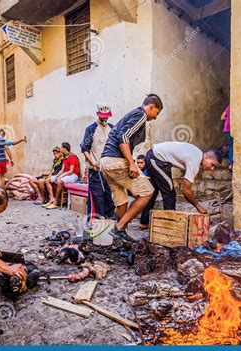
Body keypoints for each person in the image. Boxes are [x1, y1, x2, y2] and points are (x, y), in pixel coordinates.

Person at [100, 94, 163, 243]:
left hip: (105, 162)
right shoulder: (141, 114)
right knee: (148, 192)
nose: (156, 117)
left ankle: (121, 239)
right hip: (116, 162)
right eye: (157, 113)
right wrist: (131, 163)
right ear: (151, 107)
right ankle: (119, 228)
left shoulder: (131, 115)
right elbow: (124, 137)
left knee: (121, 202)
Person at [139, 142, 221, 229]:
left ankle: (144, 223)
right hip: (157, 158)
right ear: (206, 157)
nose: (212, 168)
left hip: (153, 155)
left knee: (153, 191)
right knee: (169, 193)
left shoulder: (197, 153)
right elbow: (186, 191)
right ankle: (169, 228)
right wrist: (198, 206)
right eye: (212, 164)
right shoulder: (195, 161)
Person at [80, 102, 114, 220]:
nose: (104, 118)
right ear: (97, 114)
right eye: (102, 116)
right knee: (97, 197)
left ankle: (109, 220)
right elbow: (84, 149)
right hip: (95, 170)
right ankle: (96, 222)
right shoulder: (91, 129)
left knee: (109, 195)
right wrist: (93, 163)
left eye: (106, 116)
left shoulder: (112, 128)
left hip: (108, 169)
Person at [44, 142, 80, 209]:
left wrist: (61, 177)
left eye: (61, 147)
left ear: (64, 148)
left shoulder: (72, 157)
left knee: (59, 181)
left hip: (73, 175)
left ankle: (56, 202)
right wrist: (57, 176)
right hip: (66, 174)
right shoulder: (65, 158)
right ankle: (52, 198)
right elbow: (62, 170)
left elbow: (71, 171)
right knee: (47, 180)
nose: (60, 149)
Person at [221, 105, 232, 170]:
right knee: (233, 145)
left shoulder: (228, 107)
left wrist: (227, 118)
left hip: (227, 128)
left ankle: (230, 163)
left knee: (231, 145)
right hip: (231, 127)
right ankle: (230, 163)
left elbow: (222, 117)